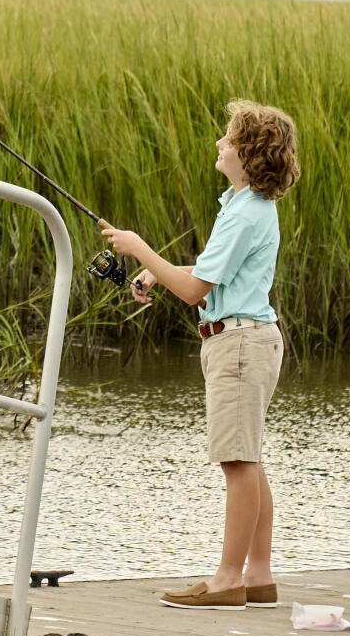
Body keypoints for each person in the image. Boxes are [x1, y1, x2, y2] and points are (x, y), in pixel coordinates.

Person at [98, 100, 302, 608]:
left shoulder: (244, 212)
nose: (219, 144)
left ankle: (229, 580)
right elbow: (212, 270)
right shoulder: (243, 206)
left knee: (237, 462)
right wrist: (158, 271)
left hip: (238, 345)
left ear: (249, 154)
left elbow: (193, 291)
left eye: (229, 139)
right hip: (246, 340)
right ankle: (257, 575)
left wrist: (141, 250)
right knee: (248, 459)